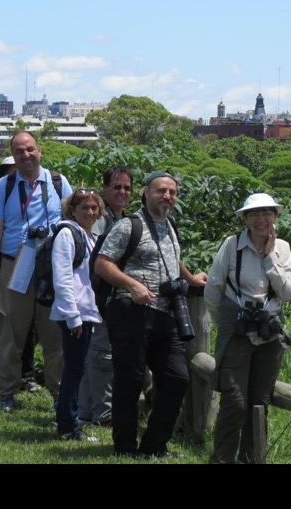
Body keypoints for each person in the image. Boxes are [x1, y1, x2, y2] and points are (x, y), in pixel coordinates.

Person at [94, 170, 207, 457]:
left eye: (172, 192)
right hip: (131, 311)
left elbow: (172, 259)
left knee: (177, 378)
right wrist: (132, 285)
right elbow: (102, 263)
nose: (167, 196)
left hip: (165, 314)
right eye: (161, 191)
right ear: (146, 193)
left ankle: (154, 445)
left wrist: (191, 279)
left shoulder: (170, 225)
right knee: (129, 381)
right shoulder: (129, 226)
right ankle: (125, 447)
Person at [0, 132, 73, 412]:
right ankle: (7, 392)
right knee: (11, 332)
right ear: (13, 156)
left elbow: (73, 223)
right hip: (14, 264)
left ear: (40, 151)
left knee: (55, 334)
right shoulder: (4, 186)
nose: (26, 155)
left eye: (30, 149)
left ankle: (59, 393)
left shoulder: (59, 182)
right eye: (19, 151)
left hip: (51, 266)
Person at [204, 193, 291, 464]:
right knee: (234, 401)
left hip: (269, 332)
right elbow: (213, 290)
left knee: (259, 402)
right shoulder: (232, 245)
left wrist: (270, 258)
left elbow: (288, 293)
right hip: (237, 330)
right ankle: (222, 459)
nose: (261, 219)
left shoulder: (282, 248)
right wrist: (226, 322)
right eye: (254, 213)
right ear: (245, 218)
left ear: (275, 217)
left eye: (267, 213)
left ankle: (251, 459)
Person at [77, 166, 133, 427]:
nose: (122, 192)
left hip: (107, 297)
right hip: (96, 297)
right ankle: (101, 413)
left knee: (95, 354)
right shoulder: (100, 218)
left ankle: (85, 411)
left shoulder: (124, 218)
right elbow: (94, 261)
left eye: (127, 188)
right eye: (116, 187)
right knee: (101, 355)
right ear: (105, 189)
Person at [51, 189, 105, 440]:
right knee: (74, 370)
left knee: (77, 369)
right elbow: (62, 277)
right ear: (72, 210)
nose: (90, 212)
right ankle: (67, 425)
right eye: (84, 207)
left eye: (94, 208)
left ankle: (69, 421)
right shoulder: (67, 233)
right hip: (75, 314)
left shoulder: (90, 236)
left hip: (86, 313)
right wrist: (72, 316)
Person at [0, 156, 37, 391]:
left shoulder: (42, 190)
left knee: (30, 325)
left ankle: (26, 373)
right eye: (9, 171)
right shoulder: (1, 193)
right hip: (5, 266)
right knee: (3, 326)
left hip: (33, 264)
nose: (14, 173)